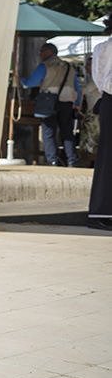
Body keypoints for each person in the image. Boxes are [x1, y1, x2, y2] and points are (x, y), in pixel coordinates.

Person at [22, 42, 81, 167]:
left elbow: (32, 83)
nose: (40, 55)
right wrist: (77, 102)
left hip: (48, 101)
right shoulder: (69, 67)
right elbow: (76, 86)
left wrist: (21, 80)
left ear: (48, 52)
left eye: (41, 52)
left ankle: (52, 160)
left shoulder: (44, 66)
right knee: (67, 131)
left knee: (48, 131)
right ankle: (72, 159)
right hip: (67, 101)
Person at [88, 22, 112, 230]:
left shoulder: (102, 48)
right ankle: (100, 211)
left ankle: (101, 211)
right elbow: (100, 79)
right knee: (107, 154)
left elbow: (99, 78)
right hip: (110, 99)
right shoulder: (102, 48)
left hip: (109, 99)